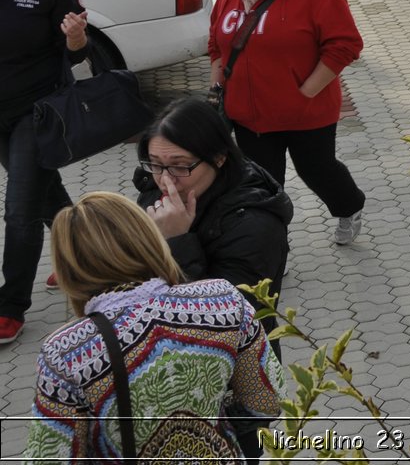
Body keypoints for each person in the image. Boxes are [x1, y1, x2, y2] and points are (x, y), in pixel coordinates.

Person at [24, 192, 283, 462]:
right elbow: (267, 401)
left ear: (70, 268)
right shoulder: (223, 300)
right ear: (148, 237)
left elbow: (50, 456)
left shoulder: (67, 351)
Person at [209, 0, 366, 246]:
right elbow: (217, 41)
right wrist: (218, 85)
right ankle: (270, 248)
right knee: (264, 186)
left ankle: (349, 206)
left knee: (316, 171)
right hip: (250, 115)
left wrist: (306, 91)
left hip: (305, 114)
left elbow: (345, 45)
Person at [0, 0, 87, 347]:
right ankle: (85, 253)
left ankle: (10, 307)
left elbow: (78, 52)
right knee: (43, 191)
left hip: (35, 112)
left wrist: (76, 38)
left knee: (20, 211)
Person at [134, 96, 293, 310]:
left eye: (180, 166)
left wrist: (175, 241)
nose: (165, 180)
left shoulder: (254, 225)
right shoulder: (153, 185)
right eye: (155, 163)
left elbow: (228, 316)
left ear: (219, 158)